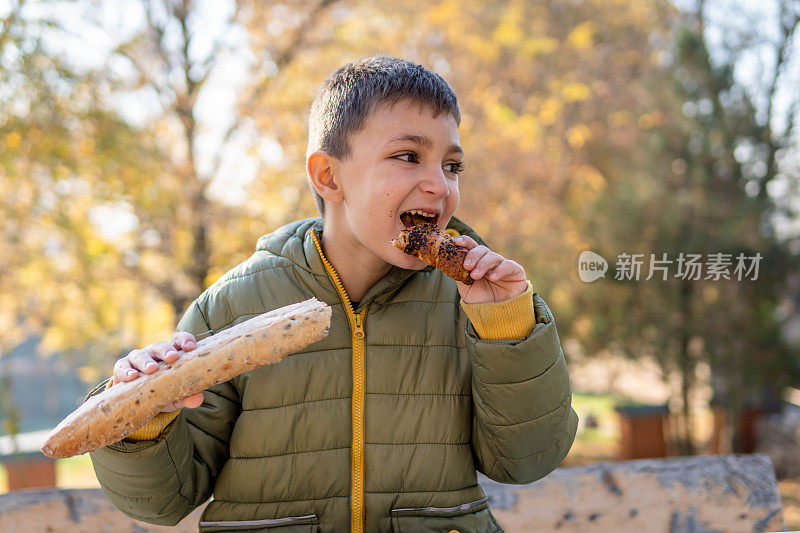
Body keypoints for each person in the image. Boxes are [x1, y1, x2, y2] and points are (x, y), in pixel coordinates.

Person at [87, 55, 579, 533]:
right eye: (409, 157)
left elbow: (526, 459)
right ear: (329, 176)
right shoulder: (234, 306)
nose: (438, 184)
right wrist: (143, 415)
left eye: (452, 165)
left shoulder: (476, 304)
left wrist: (508, 331)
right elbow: (162, 499)